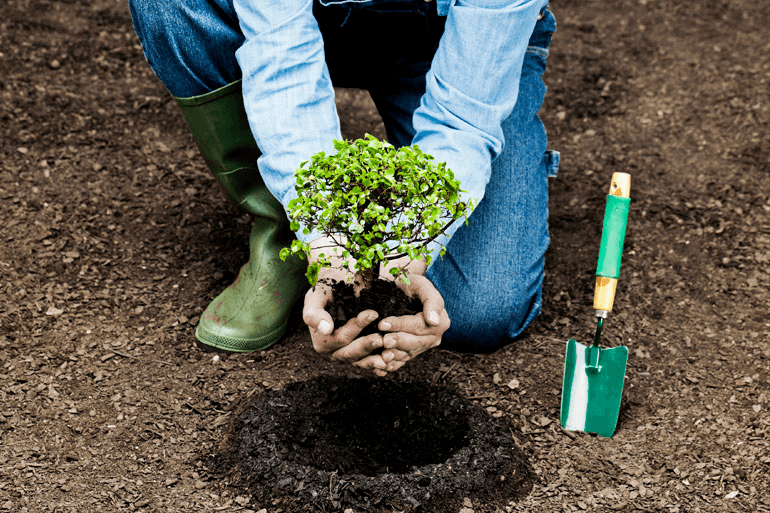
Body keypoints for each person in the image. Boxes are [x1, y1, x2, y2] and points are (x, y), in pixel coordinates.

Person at [129, 0, 559, 376]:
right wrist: (327, 241)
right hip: (318, 23)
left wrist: (407, 254)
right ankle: (285, 234)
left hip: (451, 40)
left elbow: (463, 119)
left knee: (479, 313)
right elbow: (282, 62)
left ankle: (372, 224)